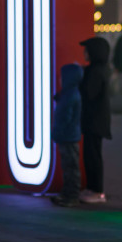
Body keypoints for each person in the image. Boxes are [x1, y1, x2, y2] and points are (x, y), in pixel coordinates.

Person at [79, 37, 112, 203]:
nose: (84, 53)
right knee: (90, 154)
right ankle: (92, 188)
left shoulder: (95, 72)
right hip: (94, 121)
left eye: (87, 50)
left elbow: (88, 94)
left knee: (93, 156)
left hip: (94, 121)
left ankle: (97, 191)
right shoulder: (98, 69)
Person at [51, 63, 83, 208]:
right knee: (68, 167)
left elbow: (65, 116)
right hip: (67, 135)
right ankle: (67, 193)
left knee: (70, 167)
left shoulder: (71, 95)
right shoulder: (69, 93)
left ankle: (72, 195)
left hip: (68, 136)